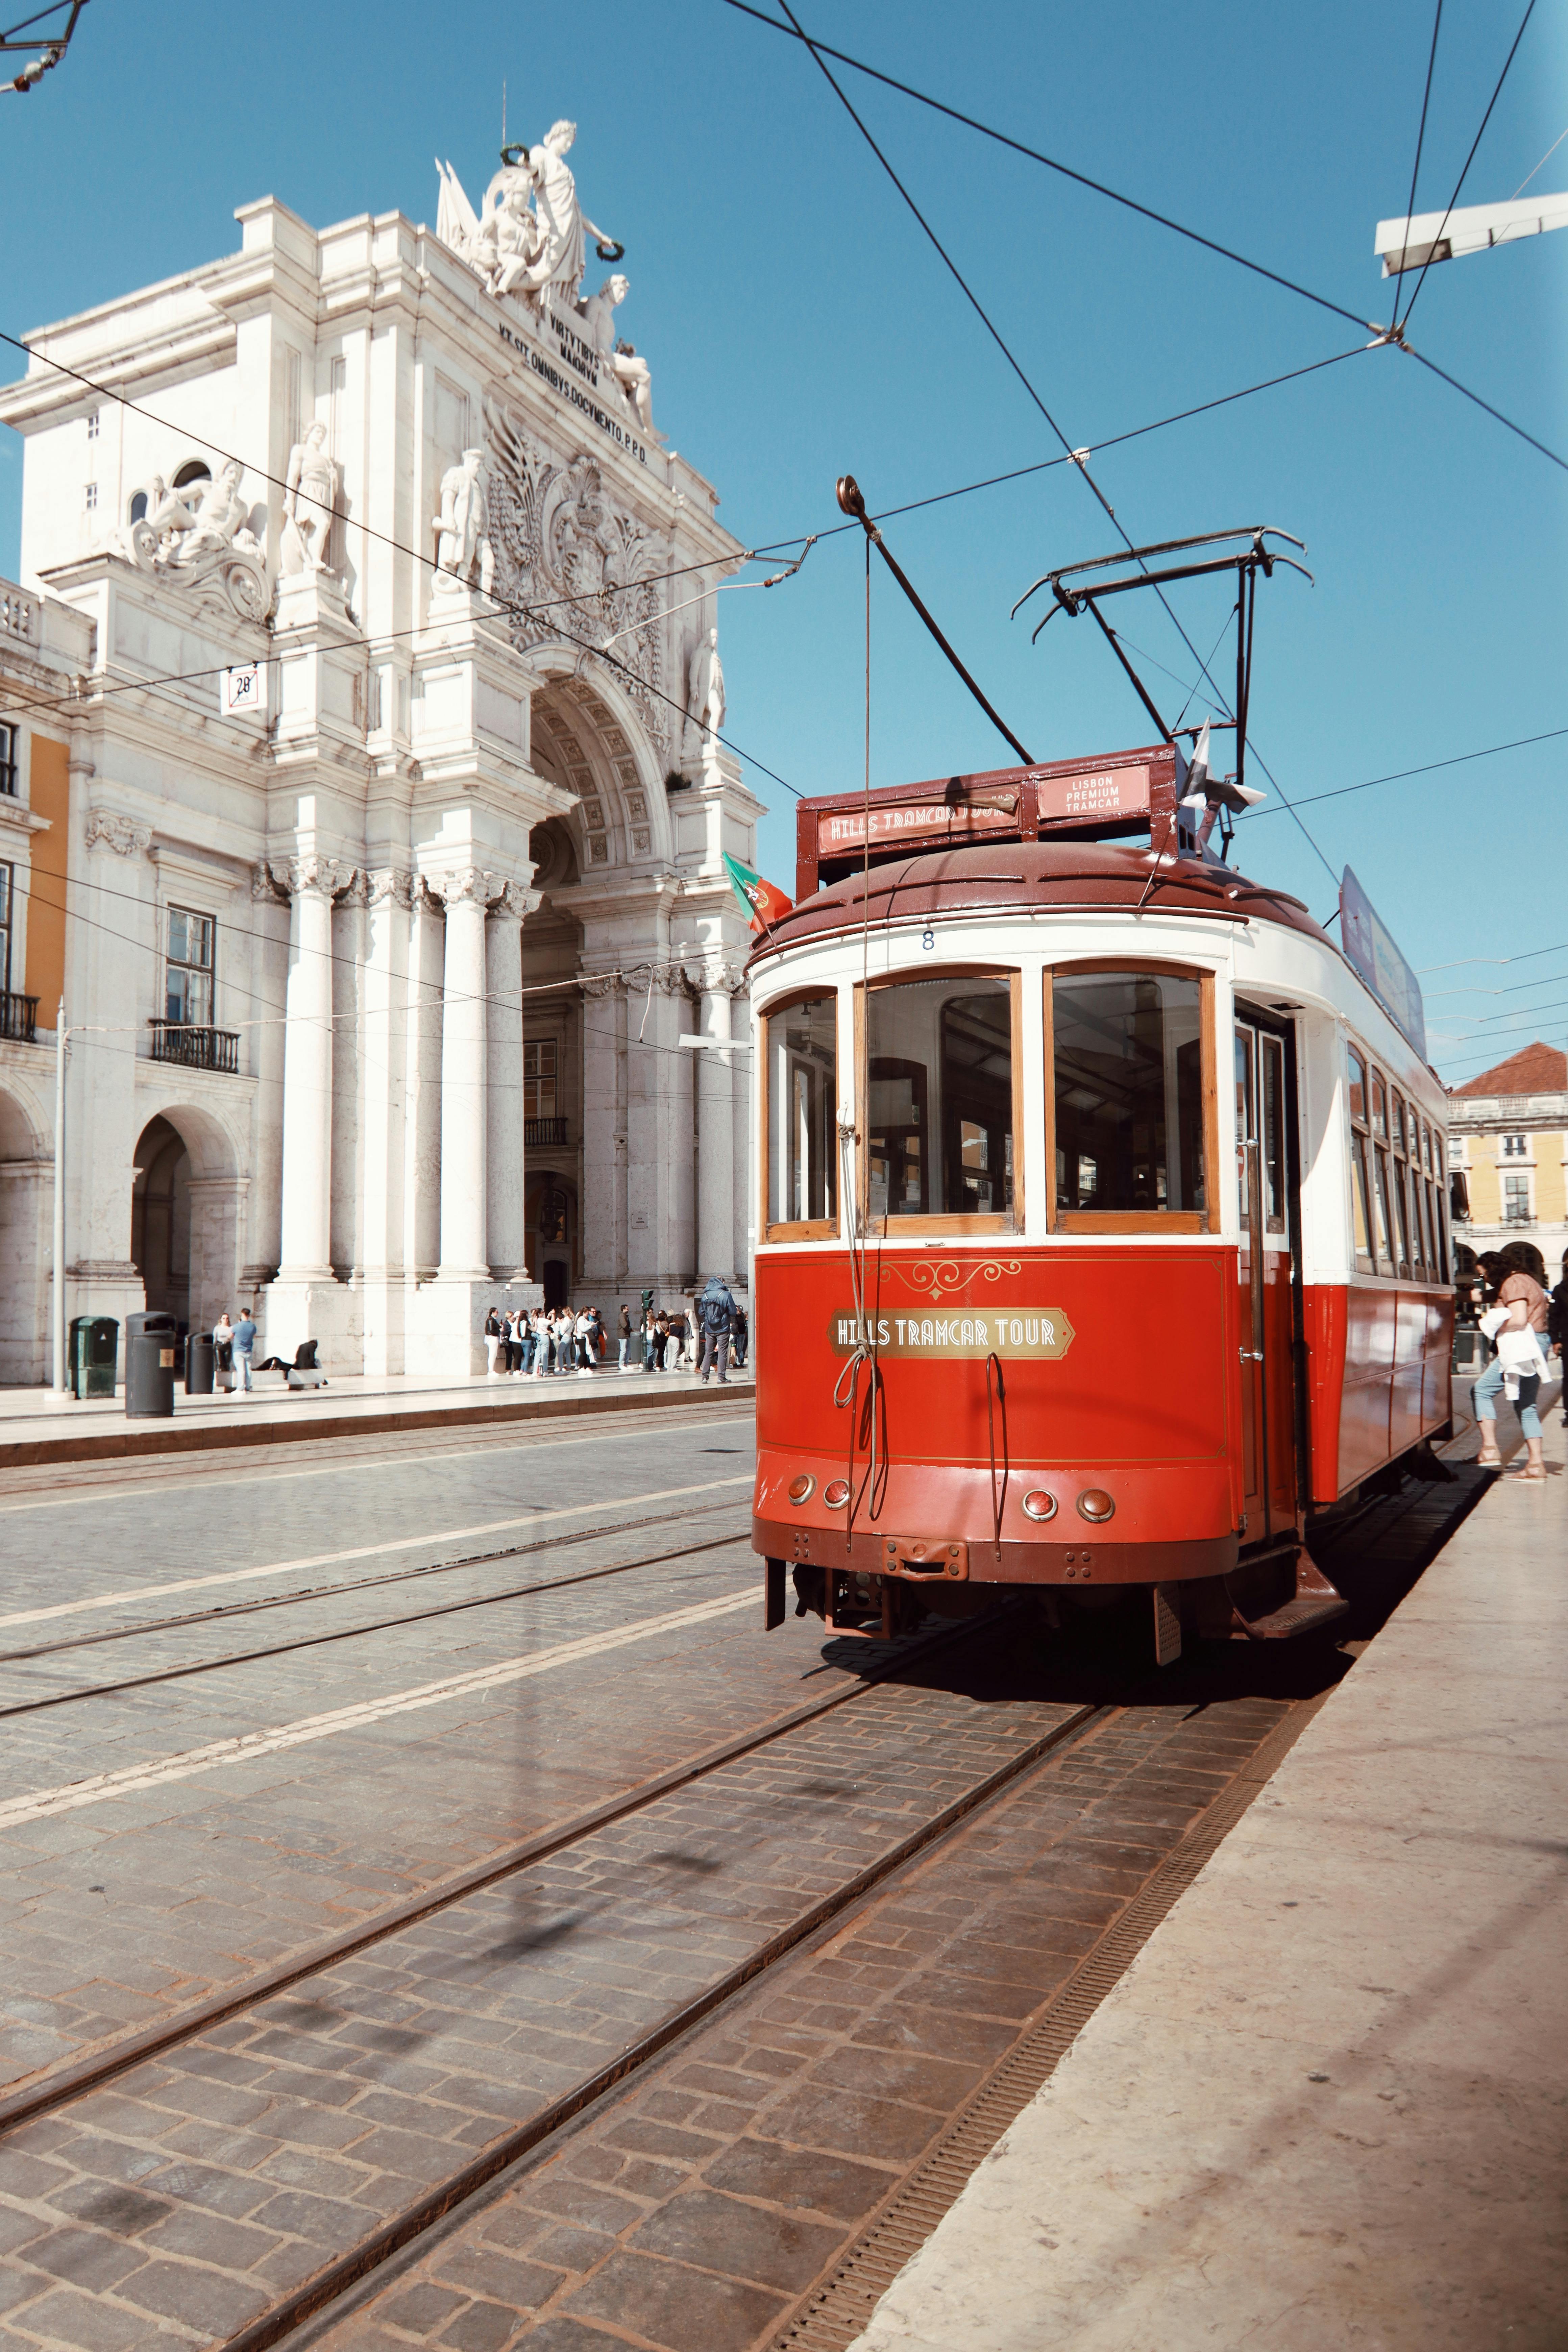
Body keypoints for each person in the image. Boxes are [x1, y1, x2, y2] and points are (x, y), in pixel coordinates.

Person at [1474, 1240, 1551, 1478]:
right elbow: (1482, 1297)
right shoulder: (1524, 1280)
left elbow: (1518, 1319)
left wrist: (1491, 1326)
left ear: (1493, 1269)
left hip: (1523, 1345)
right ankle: (1536, 1465)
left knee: (1481, 1391)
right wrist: (1458, 1296)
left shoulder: (1514, 1283)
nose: (1484, 1279)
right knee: (1526, 1406)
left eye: (1484, 1274)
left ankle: (1489, 1450)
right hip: (1537, 1342)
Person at [696, 1273, 736, 1386]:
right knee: (722, 1353)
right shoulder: (726, 1295)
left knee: (708, 1353)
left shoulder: (706, 1295)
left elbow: (701, 1312)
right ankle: (721, 1377)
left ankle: (705, 1377)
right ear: (722, 1283)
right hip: (723, 1328)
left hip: (709, 1329)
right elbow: (733, 1312)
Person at [232, 1306, 256, 1396]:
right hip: (248, 1350)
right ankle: (248, 1388)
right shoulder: (253, 1327)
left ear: (242, 1314)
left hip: (239, 1350)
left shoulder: (237, 1326)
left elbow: (231, 1336)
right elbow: (253, 1336)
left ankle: (240, 1388)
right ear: (249, 1315)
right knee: (248, 1370)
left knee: (241, 1370)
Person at [484, 1306, 503, 1377]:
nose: (497, 1313)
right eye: (497, 1312)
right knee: (492, 1354)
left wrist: (499, 1326)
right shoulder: (491, 1320)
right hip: (492, 1338)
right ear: (493, 1312)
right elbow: (492, 1330)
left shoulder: (493, 1320)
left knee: (494, 1354)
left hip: (493, 1338)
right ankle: (491, 1371)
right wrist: (499, 1330)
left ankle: (491, 1370)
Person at [731, 1302, 749, 1371]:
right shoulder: (734, 1316)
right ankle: (737, 1362)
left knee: (741, 1348)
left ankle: (741, 1362)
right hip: (737, 1334)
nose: (740, 1312)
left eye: (741, 1311)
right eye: (739, 1311)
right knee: (737, 1348)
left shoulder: (742, 1315)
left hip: (742, 1334)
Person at [618, 1302, 634, 1372]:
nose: (628, 1310)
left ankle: (626, 1363)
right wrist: (630, 1330)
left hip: (626, 1335)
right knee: (623, 1350)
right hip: (623, 1335)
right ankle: (621, 1364)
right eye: (627, 1309)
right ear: (624, 1309)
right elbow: (624, 1325)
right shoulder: (622, 1316)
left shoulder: (625, 1316)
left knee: (628, 1349)